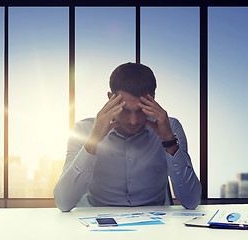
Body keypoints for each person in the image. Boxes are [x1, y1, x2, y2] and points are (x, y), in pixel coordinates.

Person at [54, 62, 201, 212]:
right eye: (124, 110)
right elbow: (64, 203)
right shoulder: (83, 130)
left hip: (155, 228)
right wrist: (93, 141)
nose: (133, 121)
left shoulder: (170, 127)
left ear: (153, 99)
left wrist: (169, 141)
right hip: (97, 227)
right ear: (110, 98)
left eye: (140, 110)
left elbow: (191, 201)